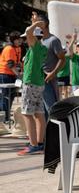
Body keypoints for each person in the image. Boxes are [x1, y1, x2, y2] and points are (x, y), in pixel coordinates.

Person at [17, 21, 47, 155]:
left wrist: (36, 23)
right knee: (39, 114)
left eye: (26, 38)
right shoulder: (42, 48)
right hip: (39, 83)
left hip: (30, 83)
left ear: (34, 38)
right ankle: (40, 143)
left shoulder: (35, 47)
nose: (25, 40)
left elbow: (29, 32)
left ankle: (33, 144)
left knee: (27, 114)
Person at [35, 13, 66, 116]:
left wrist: (52, 73)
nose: (34, 26)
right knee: (41, 111)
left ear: (44, 24)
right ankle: (46, 131)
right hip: (38, 79)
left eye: (36, 23)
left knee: (52, 109)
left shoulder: (53, 40)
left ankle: (55, 131)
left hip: (48, 80)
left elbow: (62, 59)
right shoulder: (39, 41)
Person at [0, 32, 22, 122]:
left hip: (12, 74)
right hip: (5, 74)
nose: (20, 40)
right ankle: (5, 118)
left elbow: (17, 62)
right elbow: (10, 64)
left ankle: (6, 116)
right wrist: (19, 74)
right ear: (14, 40)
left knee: (12, 95)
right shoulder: (9, 49)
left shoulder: (18, 48)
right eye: (18, 39)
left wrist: (22, 68)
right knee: (6, 96)